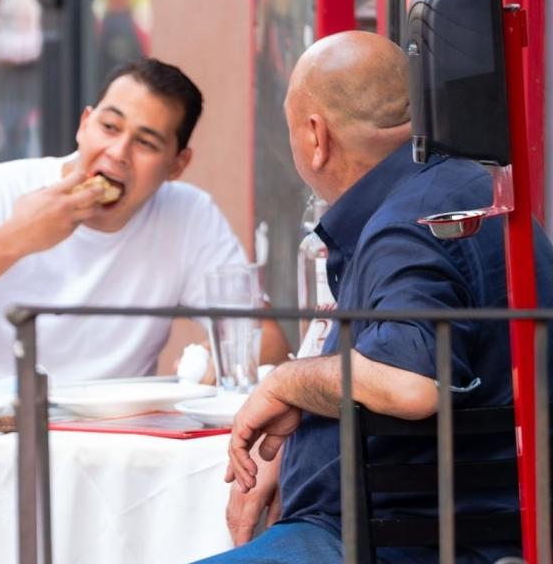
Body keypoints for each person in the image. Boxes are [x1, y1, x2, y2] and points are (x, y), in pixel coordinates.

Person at [198, 31, 553, 564]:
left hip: (391, 544)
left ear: (316, 137)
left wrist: (286, 382)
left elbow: (412, 383)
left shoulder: (403, 227)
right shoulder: (469, 192)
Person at [0, 57, 290, 382]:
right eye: (109, 127)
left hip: (114, 449)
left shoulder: (189, 215)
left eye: (145, 142)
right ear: (84, 125)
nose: (118, 152)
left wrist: (207, 363)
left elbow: (267, 338)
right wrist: (16, 238)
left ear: (177, 165)